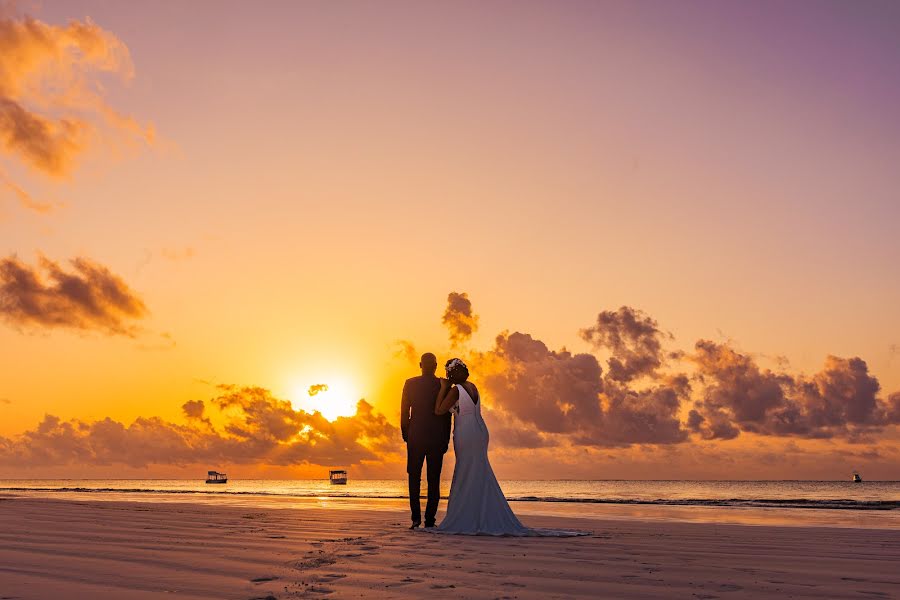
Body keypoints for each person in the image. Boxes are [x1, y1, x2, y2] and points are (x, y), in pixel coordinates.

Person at [432, 357, 587, 537]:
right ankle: (478, 510)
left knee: (466, 470)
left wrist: (443, 388)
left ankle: (468, 514)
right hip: (480, 431)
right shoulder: (473, 387)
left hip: (466, 432)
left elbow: (439, 410)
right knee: (478, 471)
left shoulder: (456, 390)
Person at [401, 352, 451, 529]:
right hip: (436, 438)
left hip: (416, 437)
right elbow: (446, 416)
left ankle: (416, 519)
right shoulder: (442, 384)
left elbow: (404, 412)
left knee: (414, 478)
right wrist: (446, 439)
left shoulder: (410, 383)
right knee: (433, 480)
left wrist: (406, 434)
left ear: (420, 365)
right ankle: (429, 520)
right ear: (435, 366)